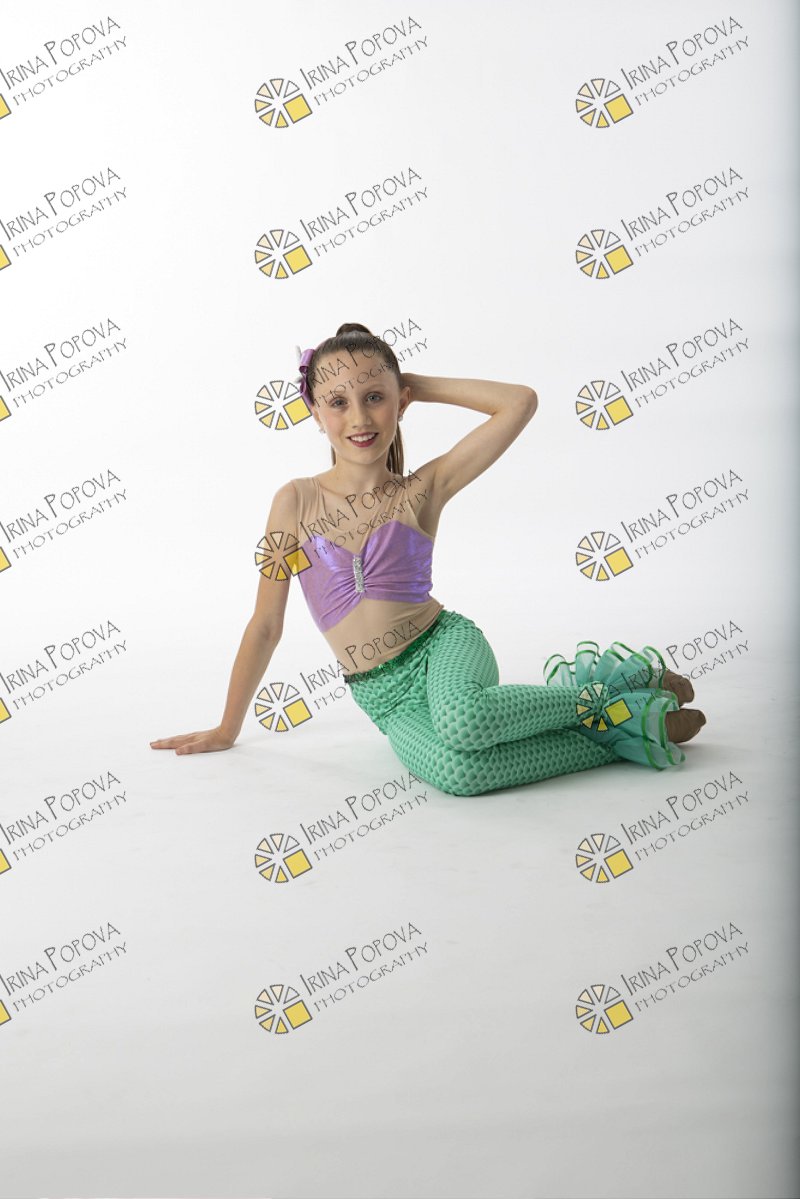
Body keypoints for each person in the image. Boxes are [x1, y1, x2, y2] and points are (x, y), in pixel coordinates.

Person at [150, 323, 707, 796]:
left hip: (443, 648)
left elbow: (520, 402)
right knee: (461, 772)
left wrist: (414, 384)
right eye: (338, 402)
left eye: (375, 397)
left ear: (399, 402)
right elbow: (266, 623)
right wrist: (227, 727)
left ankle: (613, 695)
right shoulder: (292, 502)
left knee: (467, 719)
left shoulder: (423, 489)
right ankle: (621, 727)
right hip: (384, 698)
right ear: (314, 412)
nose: (359, 417)